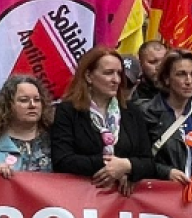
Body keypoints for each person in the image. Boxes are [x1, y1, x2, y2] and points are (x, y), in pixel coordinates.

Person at [53, 46, 158, 192]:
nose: (116, 80)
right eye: (108, 73)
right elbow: (62, 160)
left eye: (119, 73)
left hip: (121, 204)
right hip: (79, 198)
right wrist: (108, 165)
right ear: (89, 76)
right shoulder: (68, 111)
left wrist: (127, 166)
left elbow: (149, 163)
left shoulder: (132, 112)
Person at [141, 49, 192, 187]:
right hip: (158, 195)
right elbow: (137, 160)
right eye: (181, 74)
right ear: (166, 78)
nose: (189, 81)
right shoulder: (146, 113)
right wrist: (165, 172)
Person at [0, 74, 52, 175]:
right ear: (8, 105)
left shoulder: (55, 138)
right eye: (24, 100)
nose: (32, 105)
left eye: (37, 100)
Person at [129, 40, 167, 107]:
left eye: (164, 61)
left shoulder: (178, 90)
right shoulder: (131, 92)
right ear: (140, 64)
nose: (160, 67)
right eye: (153, 62)